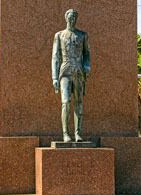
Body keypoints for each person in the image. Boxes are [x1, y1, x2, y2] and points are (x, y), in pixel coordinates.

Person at [51, 9, 90, 142]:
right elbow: (55, 57)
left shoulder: (82, 35)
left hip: (79, 72)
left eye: (74, 17)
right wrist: (54, 77)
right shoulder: (59, 35)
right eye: (70, 16)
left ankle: (78, 133)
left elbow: (87, 54)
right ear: (66, 18)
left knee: (79, 102)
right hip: (65, 71)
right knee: (66, 101)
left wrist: (87, 65)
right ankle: (65, 133)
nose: (72, 19)